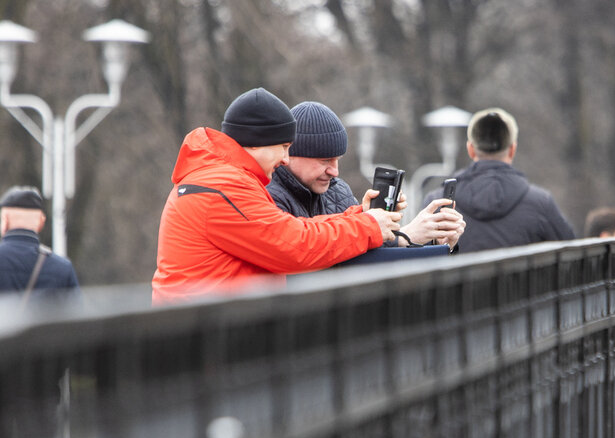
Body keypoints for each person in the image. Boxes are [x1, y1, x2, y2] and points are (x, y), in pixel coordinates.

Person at [151, 88, 402, 304]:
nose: (285, 159)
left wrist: (360, 217)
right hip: (205, 345)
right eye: (283, 147)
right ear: (256, 143)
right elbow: (294, 245)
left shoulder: (221, 179)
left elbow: (291, 229)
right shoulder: (221, 187)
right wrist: (367, 226)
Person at [267, 101, 465, 248]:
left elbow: (367, 256)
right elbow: (306, 255)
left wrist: (435, 242)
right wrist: (406, 235)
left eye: (337, 160)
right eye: (324, 161)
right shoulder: (268, 197)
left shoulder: (339, 191)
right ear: (290, 154)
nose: (334, 171)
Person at [0, 185, 79, 438]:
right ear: (41, 222)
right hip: (42, 385)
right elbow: (77, 331)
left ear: (4, 220)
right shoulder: (61, 269)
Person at [424, 107, 574, 252]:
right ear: (512, 149)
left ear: (470, 149)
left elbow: (418, 257)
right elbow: (573, 255)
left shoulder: (438, 203)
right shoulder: (541, 203)